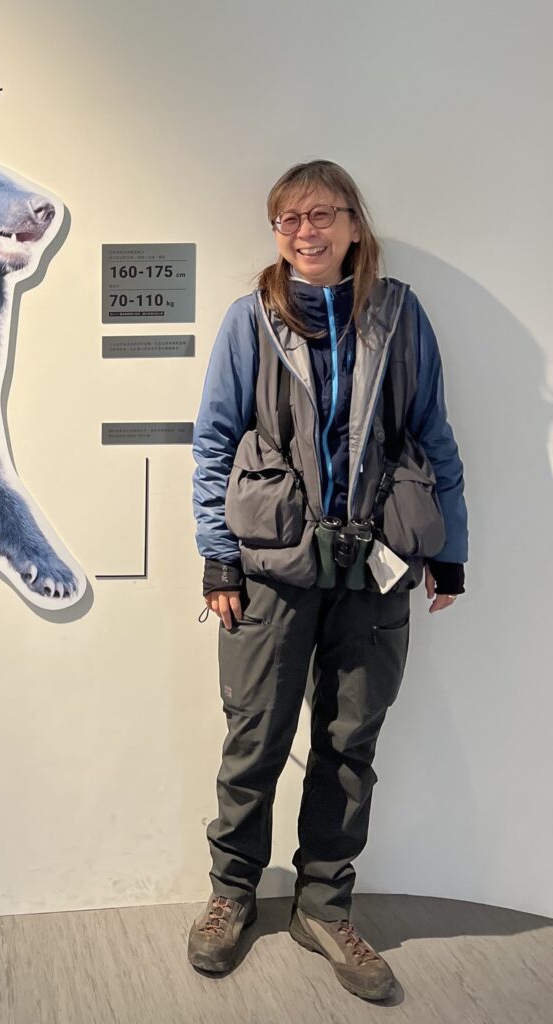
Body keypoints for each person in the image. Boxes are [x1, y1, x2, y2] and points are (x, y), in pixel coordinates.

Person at [188, 160, 467, 1001]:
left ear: (353, 224)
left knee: (351, 744)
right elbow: (213, 442)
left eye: (319, 215)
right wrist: (218, 557)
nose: (304, 232)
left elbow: (433, 435)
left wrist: (449, 550)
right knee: (255, 738)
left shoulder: (400, 314)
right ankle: (232, 895)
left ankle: (324, 905)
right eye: (288, 219)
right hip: (270, 568)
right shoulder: (252, 319)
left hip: (377, 567)